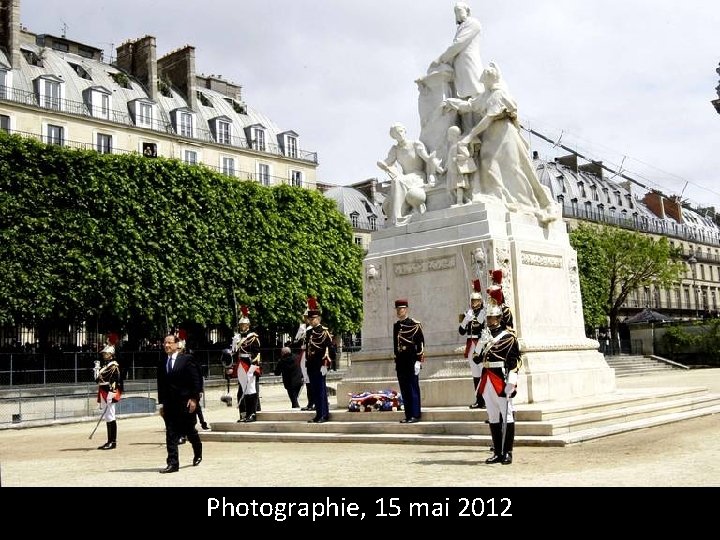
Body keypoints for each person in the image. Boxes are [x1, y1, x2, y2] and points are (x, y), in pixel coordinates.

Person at [448, 62, 558, 223]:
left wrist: (469, 136)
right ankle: (497, 195)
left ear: (490, 78)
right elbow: (470, 105)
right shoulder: (487, 94)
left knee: (512, 168)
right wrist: (451, 102)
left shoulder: (499, 94)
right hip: (492, 135)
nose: (482, 81)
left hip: (504, 133)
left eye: (484, 78)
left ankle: (525, 201)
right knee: (488, 163)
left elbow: (488, 118)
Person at [474, 304, 522, 465]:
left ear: (499, 319)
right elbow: (476, 358)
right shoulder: (485, 335)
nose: (488, 320)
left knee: (507, 415)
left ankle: (507, 452)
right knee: (493, 416)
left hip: (500, 379)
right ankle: (497, 451)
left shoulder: (508, 337)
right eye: (487, 317)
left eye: (491, 317)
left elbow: (515, 362)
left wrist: (512, 382)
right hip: (487, 378)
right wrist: (481, 343)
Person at [428, 2, 484, 132]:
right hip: (460, 66)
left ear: (467, 11)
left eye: (460, 10)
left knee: (474, 91)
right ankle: (467, 130)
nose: (458, 14)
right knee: (462, 96)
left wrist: (441, 58)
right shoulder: (462, 26)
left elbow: (458, 44)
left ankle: (478, 128)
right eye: (456, 12)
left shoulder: (473, 23)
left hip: (468, 63)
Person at [377, 123, 442, 226]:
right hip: (405, 177)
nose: (400, 135)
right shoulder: (395, 149)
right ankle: (397, 216)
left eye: (401, 131)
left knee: (398, 181)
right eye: (396, 134)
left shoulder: (415, 144)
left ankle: (397, 217)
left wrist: (435, 171)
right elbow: (387, 162)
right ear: (393, 137)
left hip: (418, 176)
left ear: (405, 131)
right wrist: (381, 164)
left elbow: (427, 159)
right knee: (387, 201)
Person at [156, 333, 203, 473]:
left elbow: (196, 379)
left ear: (177, 344)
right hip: (170, 404)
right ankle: (173, 463)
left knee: (189, 431)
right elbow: (161, 385)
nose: (166, 345)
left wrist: (194, 398)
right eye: (165, 343)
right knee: (170, 433)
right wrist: (161, 404)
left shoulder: (186, 359)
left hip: (185, 402)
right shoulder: (162, 362)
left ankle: (198, 451)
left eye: (169, 342)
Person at [393, 299, 425, 423]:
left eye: (401, 309)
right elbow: (396, 346)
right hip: (401, 362)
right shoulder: (396, 326)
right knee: (404, 389)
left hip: (411, 361)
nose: (398, 311)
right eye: (397, 309)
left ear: (406, 309)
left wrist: (418, 361)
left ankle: (415, 414)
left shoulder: (414, 324)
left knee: (413, 388)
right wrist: (396, 361)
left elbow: (420, 343)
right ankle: (408, 414)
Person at [304, 298, 335, 423]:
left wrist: (326, 364)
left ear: (319, 319)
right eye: (310, 319)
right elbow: (308, 349)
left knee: (321, 390)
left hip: (320, 364)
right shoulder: (309, 332)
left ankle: (324, 414)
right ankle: (318, 414)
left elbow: (330, 349)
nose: (312, 321)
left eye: (314, 319)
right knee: (314, 390)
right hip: (311, 364)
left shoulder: (324, 331)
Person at [230, 307, 262, 422]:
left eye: (244, 325)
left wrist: (252, 369)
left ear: (248, 325)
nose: (242, 327)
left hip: (249, 366)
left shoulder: (253, 337)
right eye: (241, 325)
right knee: (242, 391)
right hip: (240, 365)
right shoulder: (238, 337)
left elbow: (256, 354)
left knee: (251, 390)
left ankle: (252, 414)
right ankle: (244, 414)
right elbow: (234, 353)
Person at [459, 279, 486, 409]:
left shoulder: (483, 313)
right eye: (472, 301)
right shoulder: (467, 313)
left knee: (482, 372)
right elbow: (461, 331)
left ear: (480, 302)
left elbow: (485, 330)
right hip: (470, 344)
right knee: (475, 374)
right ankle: (478, 400)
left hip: (479, 344)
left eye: (476, 301)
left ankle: (486, 399)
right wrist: (465, 320)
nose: (474, 303)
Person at [95, 342, 123, 450]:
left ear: (110, 354)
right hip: (103, 390)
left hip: (109, 392)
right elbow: (97, 379)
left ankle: (113, 441)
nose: (104, 355)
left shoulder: (113, 366)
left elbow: (114, 381)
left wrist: (111, 394)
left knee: (111, 416)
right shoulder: (105, 366)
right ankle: (109, 440)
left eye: (106, 353)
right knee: (107, 416)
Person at [445, 125, 476, 205]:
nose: (448, 136)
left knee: (459, 186)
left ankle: (460, 202)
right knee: (452, 188)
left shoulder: (459, 144)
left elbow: (467, 155)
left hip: (458, 171)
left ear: (453, 135)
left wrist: (458, 157)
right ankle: (465, 200)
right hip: (452, 171)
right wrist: (445, 168)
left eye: (449, 134)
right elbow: (449, 160)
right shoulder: (452, 147)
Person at [293, 310, 315, 411]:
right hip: (303, 354)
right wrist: (300, 333)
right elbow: (296, 342)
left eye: (307, 317)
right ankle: (310, 402)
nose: (305, 319)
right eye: (305, 317)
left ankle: (313, 402)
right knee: (307, 380)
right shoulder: (304, 328)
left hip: (309, 355)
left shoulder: (312, 329)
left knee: (311, 380)